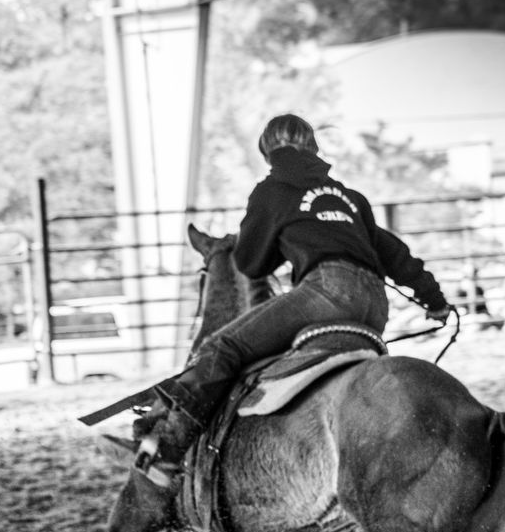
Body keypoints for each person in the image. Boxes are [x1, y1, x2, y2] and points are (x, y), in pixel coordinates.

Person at [135, 114, 453, 478]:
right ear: (315, 149)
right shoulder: (350, 198)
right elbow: (394, 253)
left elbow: (251, 263)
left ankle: (169, 450)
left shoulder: (271, 191)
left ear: (267, 152)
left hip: (327, 291)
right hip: (375, 305)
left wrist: (268, 242)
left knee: (224, 348)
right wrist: (435, 300)